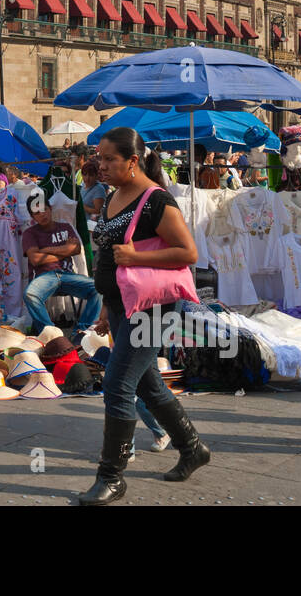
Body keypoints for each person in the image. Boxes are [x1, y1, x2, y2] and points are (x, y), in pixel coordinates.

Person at [79, 127, 207, 506]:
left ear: (132, 161)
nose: (100, 166)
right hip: (122, 306)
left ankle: (112, 476)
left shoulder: (157, 201)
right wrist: (106, 304)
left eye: (108, 159)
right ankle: (192, 447)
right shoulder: (115, 195)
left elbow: (188, 253)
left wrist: (138, 258)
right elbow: (110, 258)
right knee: (148, 385)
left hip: (153, 310)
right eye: (99, 158)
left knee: (118, 385)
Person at [22, 194, 103, 338]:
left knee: (99, 287)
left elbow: (76, 249)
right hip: (44, 277)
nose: (42, 214)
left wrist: (46, 250)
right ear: (32, 217)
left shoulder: (65, 227)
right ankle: (52, 336)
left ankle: (81, 332)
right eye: (36, 213)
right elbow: (35, 259)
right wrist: (64, 251)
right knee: (30, 294)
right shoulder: (30, 233)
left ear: (50, 208)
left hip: (67, 275)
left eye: (44, 209)